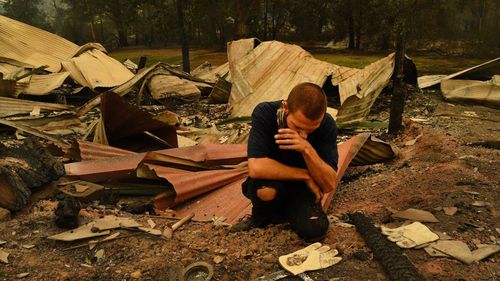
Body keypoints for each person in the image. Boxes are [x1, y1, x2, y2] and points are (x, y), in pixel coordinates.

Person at [230, 82, 338, 242]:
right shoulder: (265, 113)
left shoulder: (327, 124)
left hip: (302, 189)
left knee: (314, 230)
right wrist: (306, 175)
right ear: (286, 108)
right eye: (298, 127)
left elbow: (329, 184)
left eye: (311, 129)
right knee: (266, 191)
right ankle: (260, 218)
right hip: (273, 180)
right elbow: (256, 167)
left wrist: (307, 149)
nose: (304, 134)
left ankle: (293, 212)